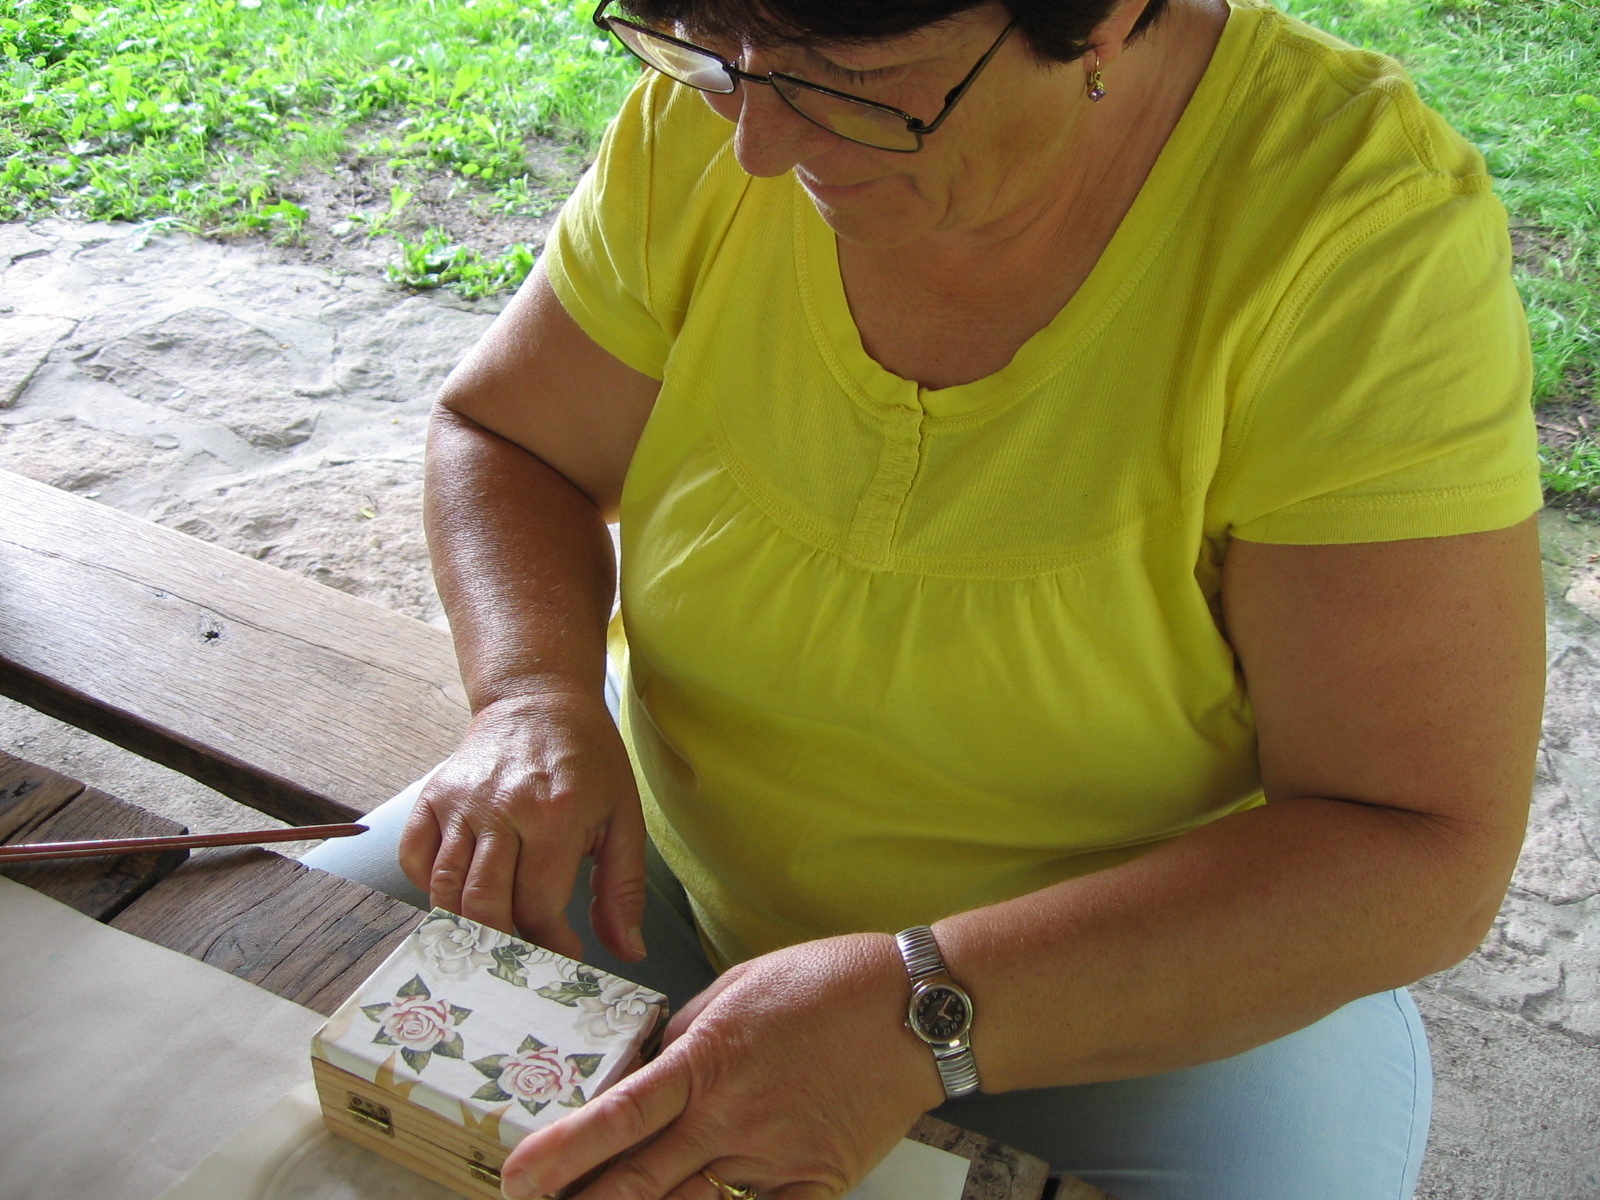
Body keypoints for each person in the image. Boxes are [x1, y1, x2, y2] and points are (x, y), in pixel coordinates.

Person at [302, 0, 1546, 1195]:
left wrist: (917, 1010)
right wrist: (532, 697)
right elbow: (507, 437)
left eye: (852, 82)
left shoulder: (1351, 235)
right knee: (268, 1022)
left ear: (1104, 15)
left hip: (1136, 991)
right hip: (651, 868)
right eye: (710, 47)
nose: (757, 145)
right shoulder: (750, 79)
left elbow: (1414, 846)